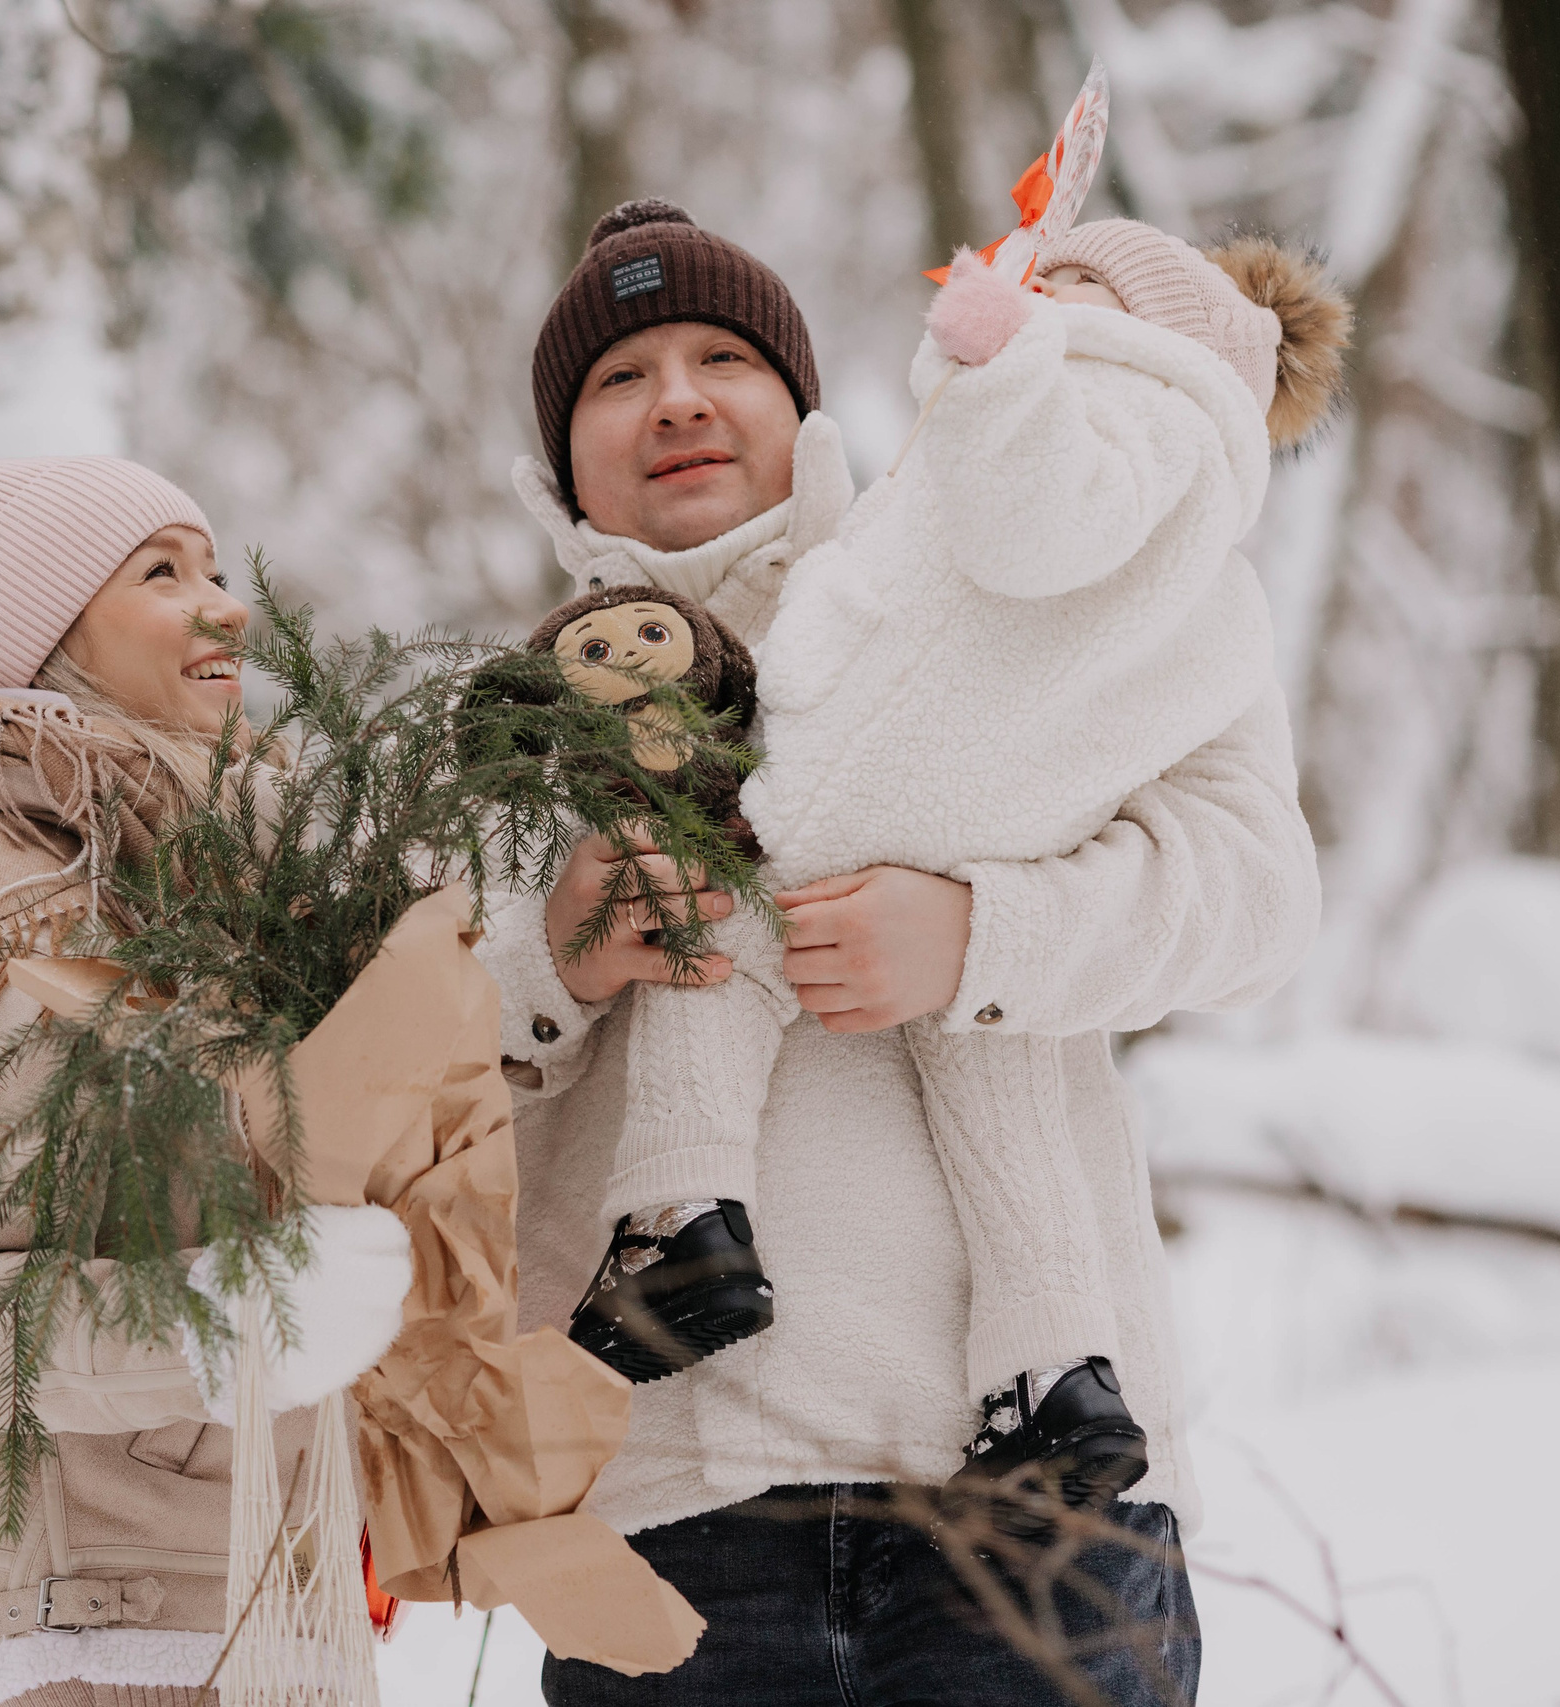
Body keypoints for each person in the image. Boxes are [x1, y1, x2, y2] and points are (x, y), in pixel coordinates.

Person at [475, 200, 1322, 1704]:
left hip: (1039, 1491)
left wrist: (982, 932)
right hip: (674, 1523)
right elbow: (391, 1076)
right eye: (620, 377)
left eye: (721, 355)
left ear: (804, 408)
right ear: (560, 463)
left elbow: (1255, 890)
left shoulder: (1023, 599)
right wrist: (555, 958)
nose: (676, 396)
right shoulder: (490, 734)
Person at [0, 456, 412, 1707]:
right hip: (86, 1638)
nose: (226, 606)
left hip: (219, 1614)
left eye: (217, 568)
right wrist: (248, 1312)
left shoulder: (199, 899)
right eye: (161, 573)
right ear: (44, 640)